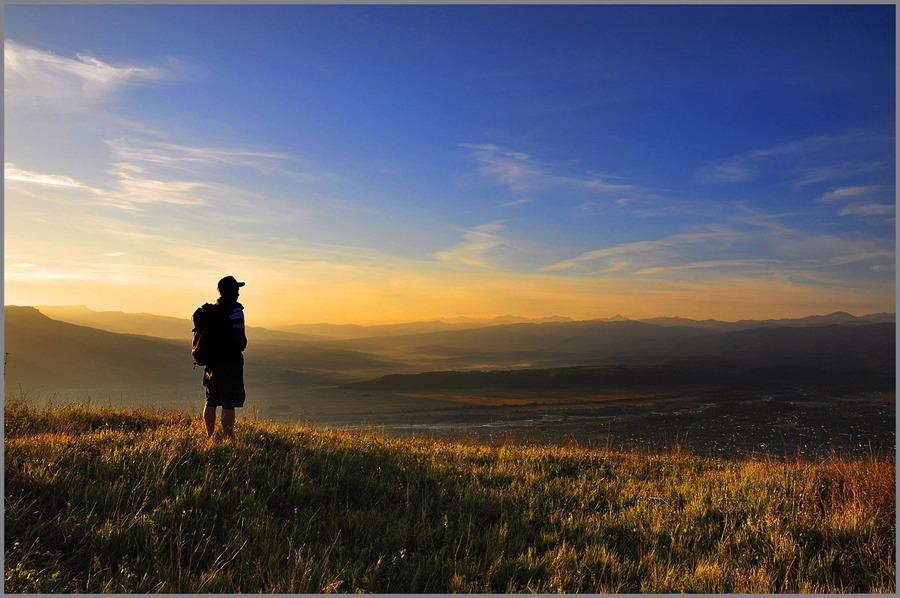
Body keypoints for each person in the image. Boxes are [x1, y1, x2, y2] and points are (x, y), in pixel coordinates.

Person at [202, 275, 248, 440]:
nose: (238, 293)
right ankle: (228, 437)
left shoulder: (211, 311)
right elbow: (241, 340)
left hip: (212, 363)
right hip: (229, 363)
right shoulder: (235, 311)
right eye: (236, 290)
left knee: (211, 400)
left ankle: (210, 436)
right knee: (228, 403)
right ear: (231, 291)